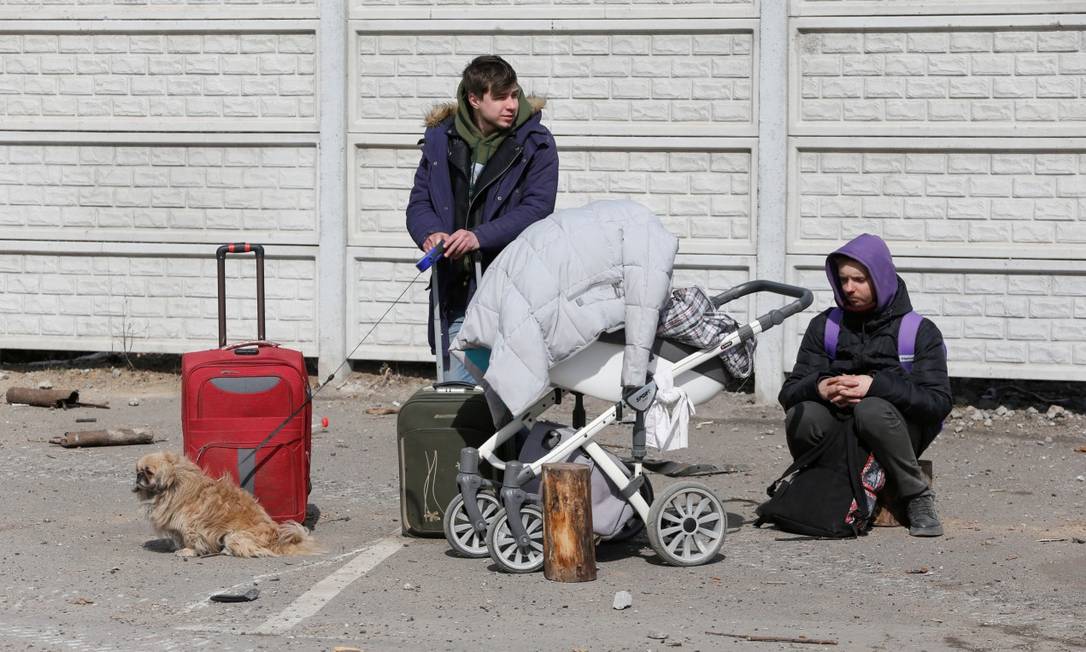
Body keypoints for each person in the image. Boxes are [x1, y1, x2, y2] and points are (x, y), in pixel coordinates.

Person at [778, 233, 952, 537]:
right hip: (839, 429)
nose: (848, 288)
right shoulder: (825, 327)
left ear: (881, 277)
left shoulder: (919, 332)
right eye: (843, 279)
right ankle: (819, 486)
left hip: (895, 429)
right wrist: (820, 388)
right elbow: (789, 393)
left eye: (858, 279)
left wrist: (875, 385)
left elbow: (937, 404)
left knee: (872, 410)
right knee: (802, 413)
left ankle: (916, 497)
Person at [405, 55, 559, 383]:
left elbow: (538, 209)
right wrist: (431, 233)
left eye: (514, 95)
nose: (511, 105)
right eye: (500, 97)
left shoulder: (536, 143)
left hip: (513, 290)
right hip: (455, 289)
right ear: (474, 99)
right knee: (460, 394)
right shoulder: (441, 140)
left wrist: (479, 236)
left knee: (495, 394)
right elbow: (419, 204)